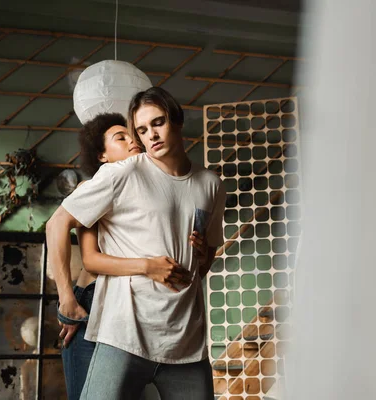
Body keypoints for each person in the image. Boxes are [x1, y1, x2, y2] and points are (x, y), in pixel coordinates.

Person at [46, 87, 225, 399]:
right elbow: (58, 222)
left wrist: (200, 256)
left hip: (186, 343)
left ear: (177, 121)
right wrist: (66, 299)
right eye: (141, 130)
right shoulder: (121, 173)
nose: (150, 135)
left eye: (158, 123)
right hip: (124, 333)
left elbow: (204, 263)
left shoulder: (211, 185)